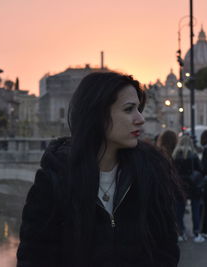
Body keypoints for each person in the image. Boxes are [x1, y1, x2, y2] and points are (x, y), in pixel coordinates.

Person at [17, 72, 180, 266]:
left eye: (139, 109)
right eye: (129, 110)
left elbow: (166, 249)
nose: (140, 119)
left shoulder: (151, 173)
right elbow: (34, 256)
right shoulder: (54, 179)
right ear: (98, 114)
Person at [172, 135, 206, 243]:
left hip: (179, 186)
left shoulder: (175, 155)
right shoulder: (193, 155)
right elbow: (201, 170)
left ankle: (180, 233)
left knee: (179, 210)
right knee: (195, 209)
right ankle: (196, 233)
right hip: (193, 185)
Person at [156, 130, 186, 242]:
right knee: (178, 215)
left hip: (166, 191)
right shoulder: (180, 153)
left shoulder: (159, 155)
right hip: (178, 190)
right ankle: (180, 232)